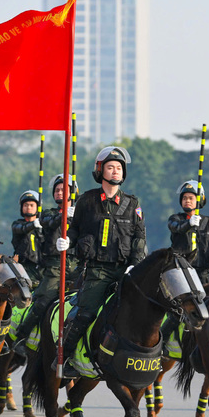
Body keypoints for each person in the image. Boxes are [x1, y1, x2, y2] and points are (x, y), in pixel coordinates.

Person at [54, 146, 146, 377]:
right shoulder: (87, 200)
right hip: (97, 270)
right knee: (86, 312)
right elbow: (74, 229)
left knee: (145, 309)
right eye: (110, 167)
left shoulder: (133, 204)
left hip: (125, 269)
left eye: (118, 168)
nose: (115, 172)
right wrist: (66, 240)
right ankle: (65, 358)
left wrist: (137, 263)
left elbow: (139, 237)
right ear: (100, 170)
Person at [13, 174, 79, 353]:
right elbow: (48, 223)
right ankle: (21, 336)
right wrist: (64, 215)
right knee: (42, 301)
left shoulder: (81, 213)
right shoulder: (48, 214)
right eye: (56, 190)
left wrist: (76, 215)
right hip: (55, 266)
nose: (59, 193)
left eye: (63, 190)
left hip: (78, 266)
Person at [159, 181, 209, 343]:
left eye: (191, 198)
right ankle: (161, 345)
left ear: (200, 200)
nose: (187, 201)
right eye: (185, 198)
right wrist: (188, 224)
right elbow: (175, 227)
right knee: (178, 313)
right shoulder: (176, 218)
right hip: (182, 273)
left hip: (204, 274)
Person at [11, 190, 44, 289]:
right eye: (25, 205)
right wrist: (33, 225)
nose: (28, 207)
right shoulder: (17, 224)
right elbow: (22, 229)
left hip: (42, 268)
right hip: (24, 267)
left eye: (31, 205)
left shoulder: (44, 226)